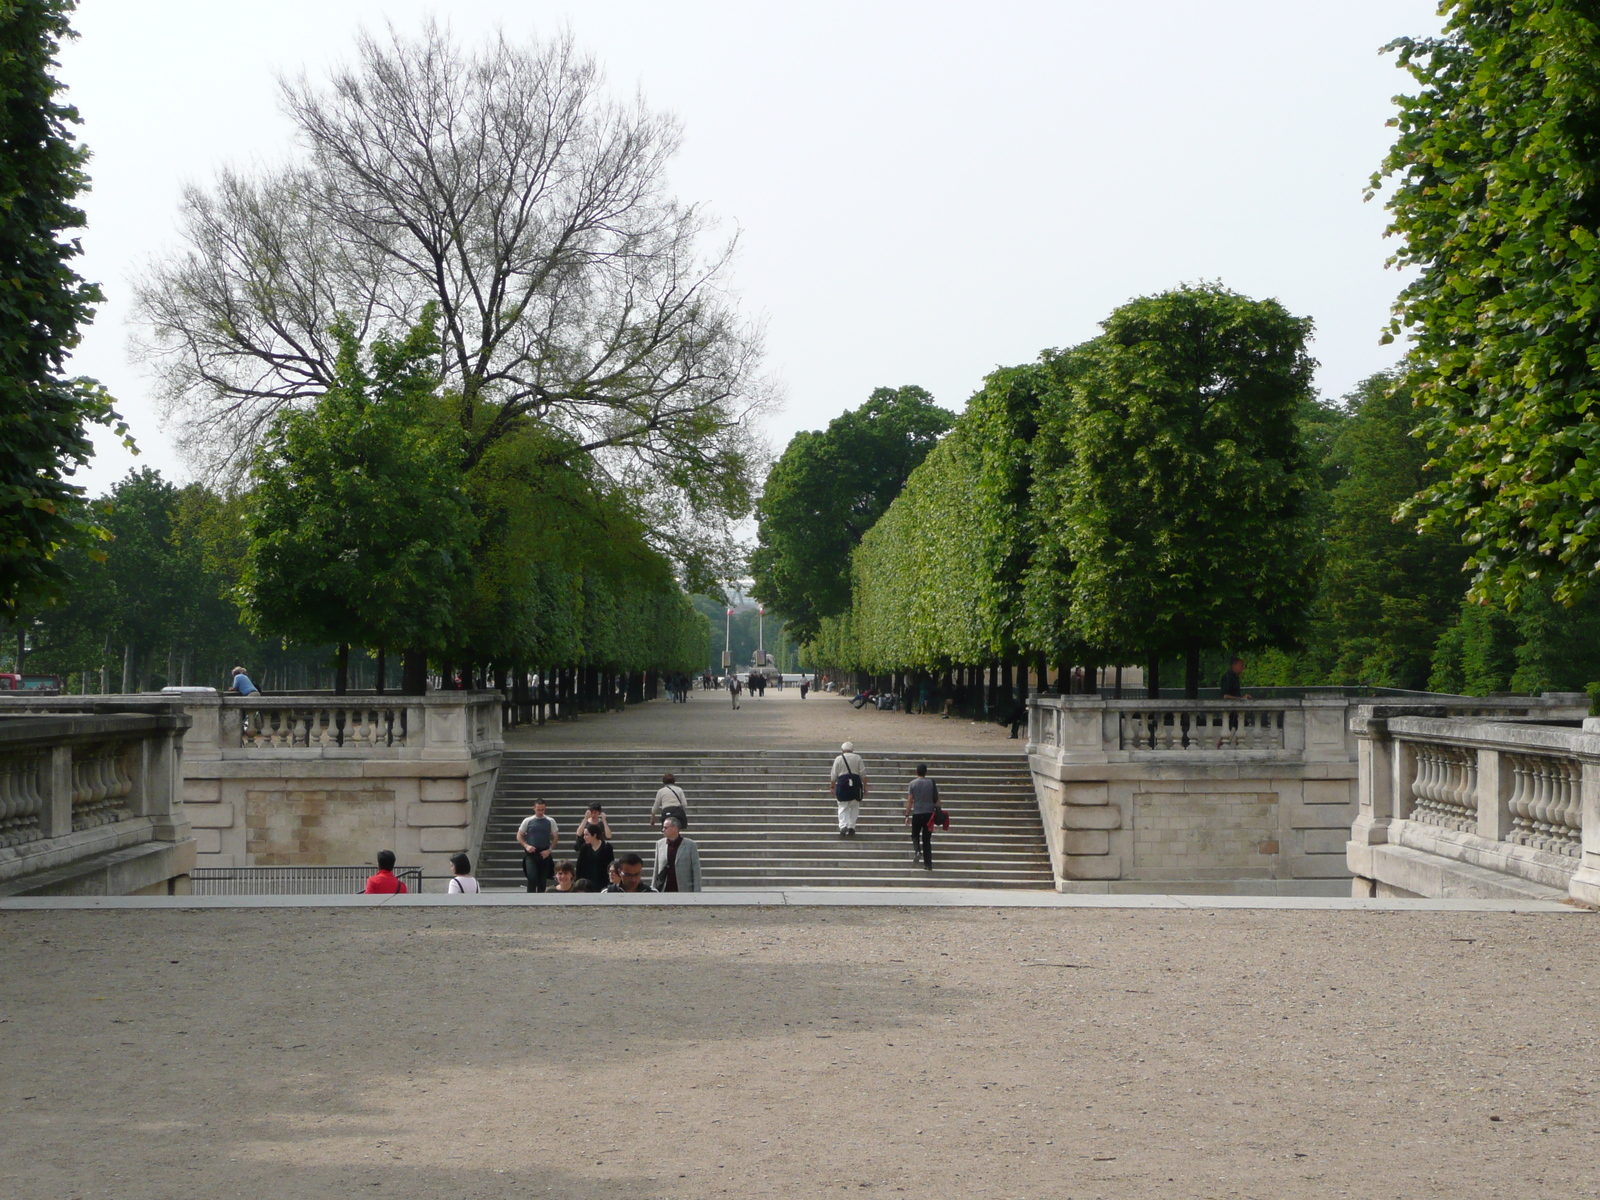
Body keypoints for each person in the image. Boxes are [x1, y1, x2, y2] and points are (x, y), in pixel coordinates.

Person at [516, 799, 560, 893]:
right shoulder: (528, 820)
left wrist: (549, 850)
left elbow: (555, 837)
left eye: (543, 810)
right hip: (531, 853)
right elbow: (519, 835)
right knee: (532, 877)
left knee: (542, 880)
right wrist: (526, 845)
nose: (541, 812)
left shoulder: (550, 821)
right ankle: (530, 898)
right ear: (534, 808)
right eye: (539, 810)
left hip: (544, 853)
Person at [904, 763, 940, 870]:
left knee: (915, 835)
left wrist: (907, 815)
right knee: (927, 840)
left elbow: (910, 800)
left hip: (917, 813)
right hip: (929, 814)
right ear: (926, 772)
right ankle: (928, 864)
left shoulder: (912, 784)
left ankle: (917, 851)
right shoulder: (931, 783)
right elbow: (938, 799)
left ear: (916, 772)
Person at [652, 816, 702, 892]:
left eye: (665, 828)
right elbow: (656, 870)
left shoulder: (690, 845)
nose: (663, 830)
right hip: (664, 889)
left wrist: (697, 892)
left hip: (683, 890)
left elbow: (696, 871)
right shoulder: (660, 844)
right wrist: (653, 888)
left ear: (674, 828)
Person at [829, 741, 867, 836]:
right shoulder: (858, 758)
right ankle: (851, 826)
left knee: (842, 805)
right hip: (856, 784)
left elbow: (834, 774)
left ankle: (843, 825)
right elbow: (863, 773)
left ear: (842, 750)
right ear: (852, 750)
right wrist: (866, 785)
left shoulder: (838, 759)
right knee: (854, 805)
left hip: (842, 784)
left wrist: (832, 786)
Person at [575, 822, 615, 892]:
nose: (584, 837)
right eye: (584, 835)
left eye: (586, 835)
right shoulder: (584, 848)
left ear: (594, 835)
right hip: (587, 883)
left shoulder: (607, 847)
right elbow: (579, 867)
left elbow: (610, 865)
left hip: (603, 882)